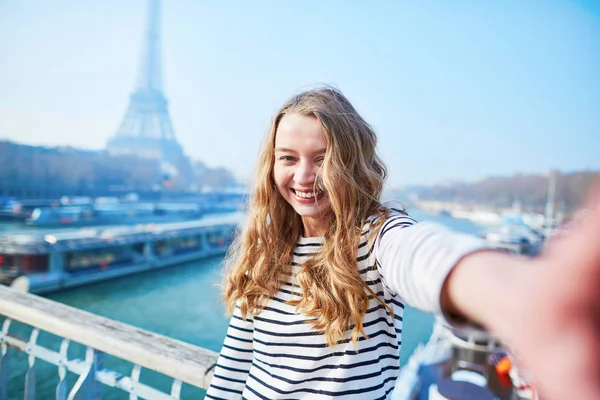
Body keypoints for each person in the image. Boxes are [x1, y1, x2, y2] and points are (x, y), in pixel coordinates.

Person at [206, 86, 600, 400]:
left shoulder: (373, 238)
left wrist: (521, 297)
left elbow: (421, 255)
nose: (304, 176)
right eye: (288, 158)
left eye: (322, 158)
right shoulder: (265, 247)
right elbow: (234, 366)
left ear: (350, 163)